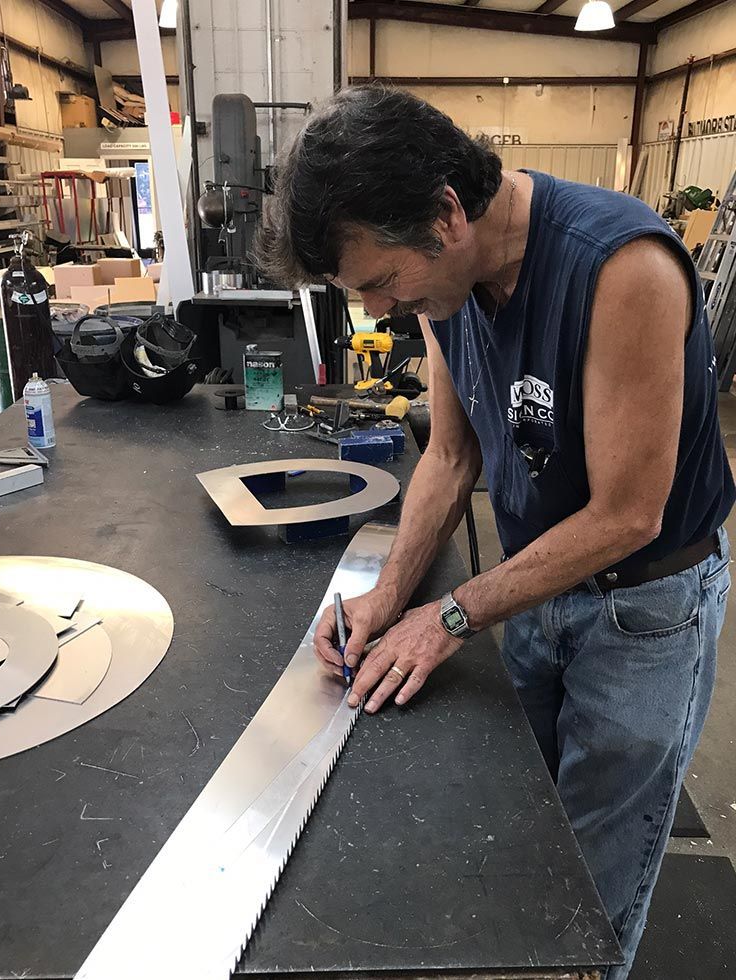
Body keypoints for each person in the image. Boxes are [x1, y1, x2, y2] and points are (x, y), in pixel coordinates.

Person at [254, 85, 735, 979]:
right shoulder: (449, 288)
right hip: (535, 585)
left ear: (445, 214)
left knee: (589, 897)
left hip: (644, 611)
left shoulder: (620, 266)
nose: (379, 312)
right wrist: (387, 598)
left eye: (380, 283)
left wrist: (447, 618)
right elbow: (449, 457)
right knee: (525, 838)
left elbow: (631, 515)